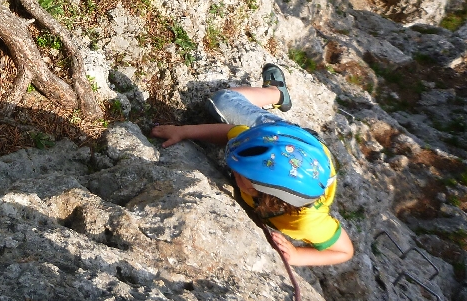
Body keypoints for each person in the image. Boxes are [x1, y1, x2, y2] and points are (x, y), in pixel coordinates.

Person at [151, 64, 355, 266]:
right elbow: (230, 133)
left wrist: (297, 256)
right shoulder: (256, 143)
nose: (232, 169)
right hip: (279, 136)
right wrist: (185, 131)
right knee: (223, 101)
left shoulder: (308, 223)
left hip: (295, 154)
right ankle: (276, 93)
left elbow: (344, 251)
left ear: (254, 188)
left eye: (238, 172)